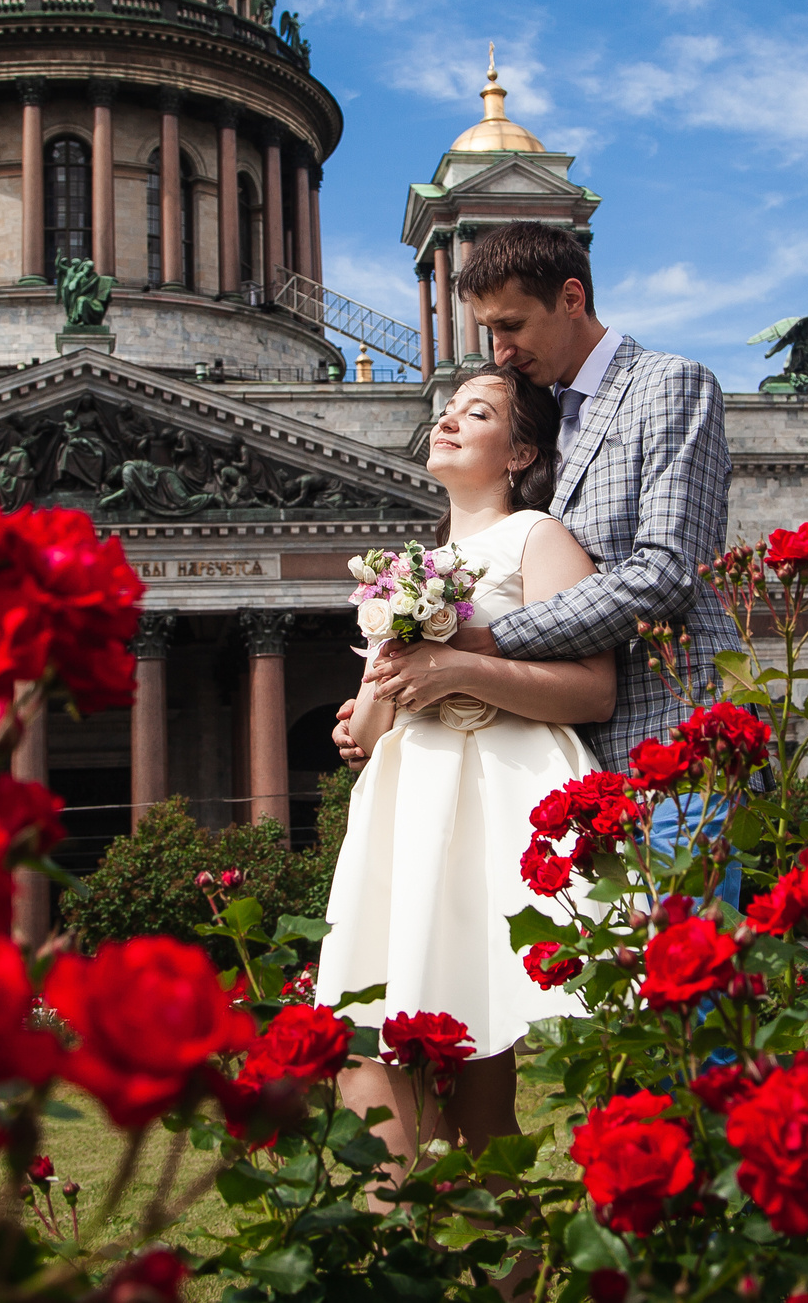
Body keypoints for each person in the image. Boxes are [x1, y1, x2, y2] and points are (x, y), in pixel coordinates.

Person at [346, 221, 743, 867]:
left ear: (570, 297)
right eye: (490, 332)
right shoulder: (537, 414)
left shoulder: (669, 384)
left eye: (512, 325)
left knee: (688, 959)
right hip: (572, 767)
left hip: (671, 739)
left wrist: (489, 642)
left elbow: (667, 570)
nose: (500, 350)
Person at [316, 365, 615, 1170]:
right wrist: (373, 706)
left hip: (492, 809)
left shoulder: (535, 538)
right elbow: (375, 724)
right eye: (446, 410)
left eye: (475, 413)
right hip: (408, 814)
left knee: (476, 1086)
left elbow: (594, 689)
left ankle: (481, 1263)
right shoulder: (407, 570)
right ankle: (433, 1249)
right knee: (371, 1055)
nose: (446, 421)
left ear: (520, 451)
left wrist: (459, 671)